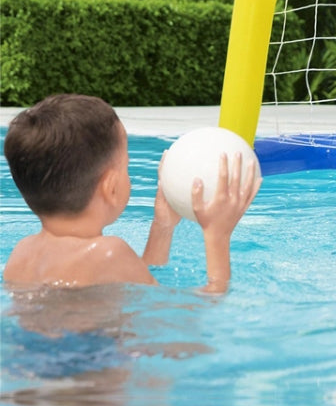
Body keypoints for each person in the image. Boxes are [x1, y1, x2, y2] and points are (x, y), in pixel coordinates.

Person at [2, 93, 261, 293]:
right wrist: (217, 235)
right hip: (98, 362)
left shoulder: (21, 254)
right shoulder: (109, 253)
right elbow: (203, 306)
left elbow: (137, 288)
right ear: (111, 187)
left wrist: (163, 226)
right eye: (126, 166)